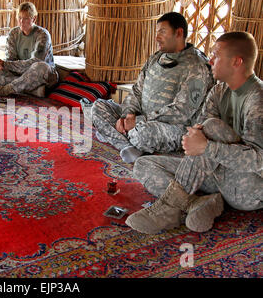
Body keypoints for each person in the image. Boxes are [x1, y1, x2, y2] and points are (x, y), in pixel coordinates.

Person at [126, 31, 262, 234]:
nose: (211, 59)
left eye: (216, 55)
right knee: (144, 165)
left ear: (236, 62)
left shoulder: (258, 99)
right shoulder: (218, 92)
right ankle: (198, 204)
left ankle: (168, 209)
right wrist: (201, 144)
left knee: (212, 127)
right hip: (216, 173)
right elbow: (196, 131)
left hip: (247, 188)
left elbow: (259, 160)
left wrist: (207, 147)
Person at [91, 12, 214, 163]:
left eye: (162, 32)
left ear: (179, 33)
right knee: (98, 106)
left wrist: (139, 121)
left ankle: (116, 136)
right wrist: (127, 115)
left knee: (142, 134)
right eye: (157, 32)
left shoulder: (196, 66)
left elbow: (182, 112)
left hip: (173, 127)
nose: (157, 38)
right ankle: (127, 145)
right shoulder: (156, 58)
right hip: (141, 118)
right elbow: (137, 90)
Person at [0, 2, 59, 98]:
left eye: (25, 18)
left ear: (33, 19)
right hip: (21, 75)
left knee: (41, 66)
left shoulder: (42, 35)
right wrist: (0, 65)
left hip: (42, 75)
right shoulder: (13, 34)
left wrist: (5, 64)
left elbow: (35, 62)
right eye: (19, 18)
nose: (21, 21)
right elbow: (11, 60)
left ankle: (5, 90)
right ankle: (34, 90)